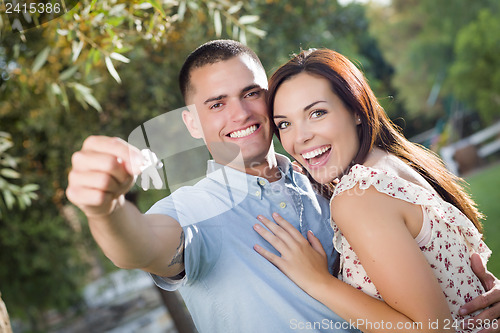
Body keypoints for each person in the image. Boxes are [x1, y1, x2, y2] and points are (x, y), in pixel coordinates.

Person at [66, 40, 500, 332]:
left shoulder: (327, 178)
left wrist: (471, 289)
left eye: (251, 93)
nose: (240, 114)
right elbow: (139, 246)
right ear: (192, 124)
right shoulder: (192, 209)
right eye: (216, 104)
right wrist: (105, 209)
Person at [253, 48, 499, 332]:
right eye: (285, 124)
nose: (300, 137)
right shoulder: (395, 164)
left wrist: (318, 281)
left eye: (317, 113)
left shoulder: (360, 195)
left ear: (356, 110)